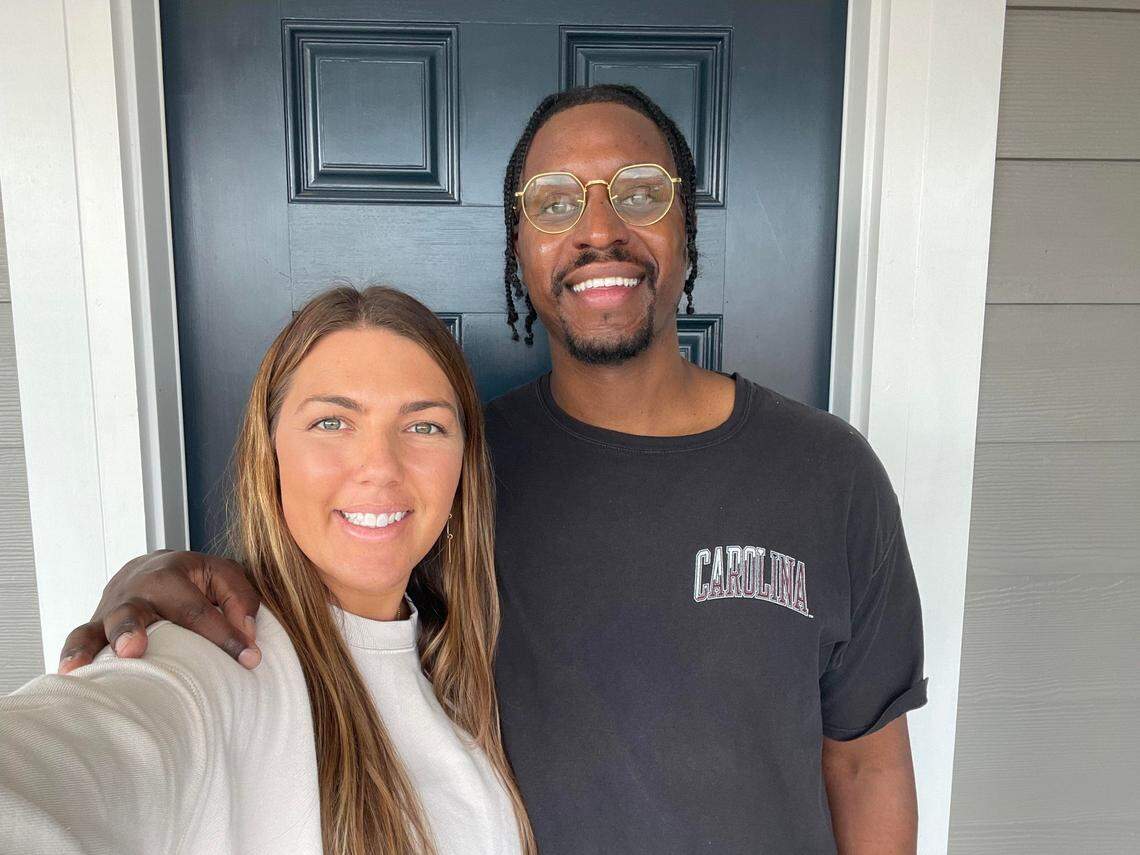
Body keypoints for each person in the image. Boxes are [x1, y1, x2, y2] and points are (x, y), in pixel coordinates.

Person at [55, 85, 928, 854]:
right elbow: (329, 600)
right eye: (554, 202)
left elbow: (866, 763)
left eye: (639, 192)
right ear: (520, 247)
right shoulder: (451, 473)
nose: (598, 228)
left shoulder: (830, 473)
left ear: (685, 229)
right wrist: (163, 579)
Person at [0, 286, 535, 855]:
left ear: (461, 467)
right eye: (332, 422)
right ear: (271, 453)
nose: (380, 468)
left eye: (424, 426)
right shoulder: (212, 663)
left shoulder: (452, 664)